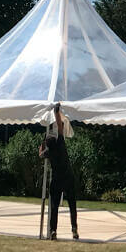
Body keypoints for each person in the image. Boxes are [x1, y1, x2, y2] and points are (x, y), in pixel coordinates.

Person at [39, 103, 79, 240]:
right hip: (68, 178)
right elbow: (60, 127)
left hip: (57, 180)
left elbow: (40, 154)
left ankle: (53, 231)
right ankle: (74, 228)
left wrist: (42, 145)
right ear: (55, 138)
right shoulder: (60, 143)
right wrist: (56, 111)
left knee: (54, 206)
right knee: (72, 204)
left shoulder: (49, 152)